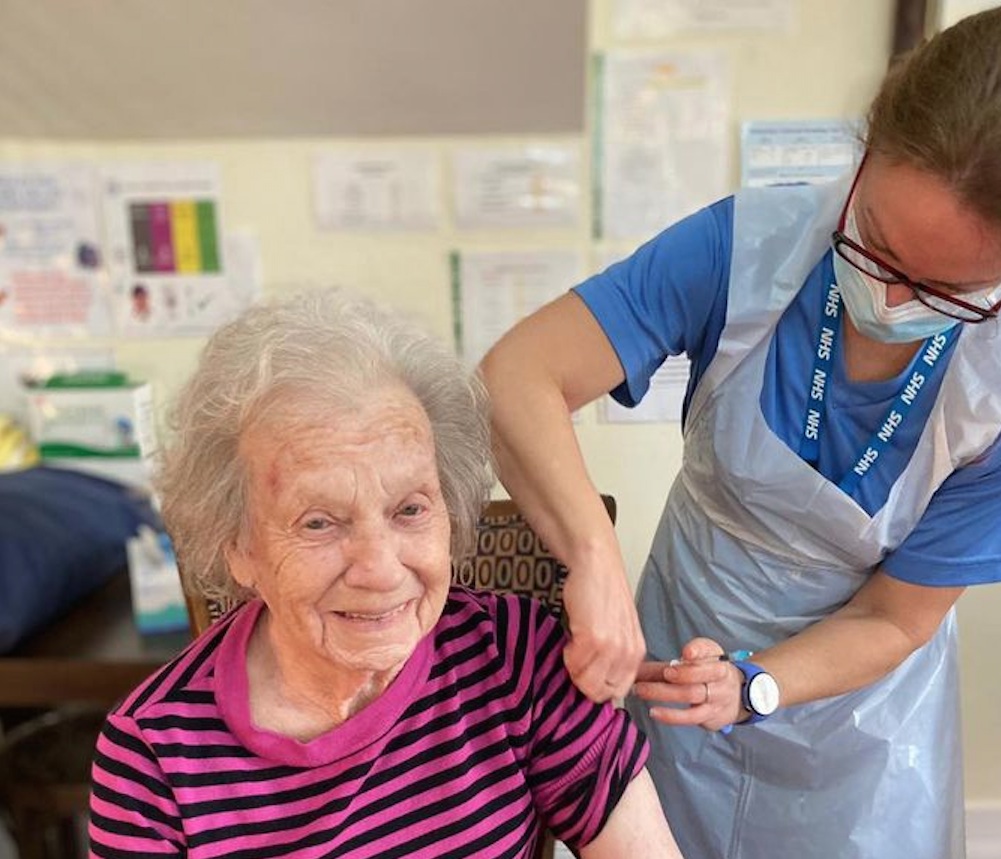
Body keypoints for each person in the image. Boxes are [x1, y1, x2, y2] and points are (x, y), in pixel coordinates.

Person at [479, 8, 1001, 858]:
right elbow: (518, 376)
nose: (894, 301)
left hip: (864, 724)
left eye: (945, 290)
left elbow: (898, 618)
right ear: (867, 154)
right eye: (876, 246)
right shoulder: (745, 248)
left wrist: (758, 682)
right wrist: (594, 560)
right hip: (683, 644)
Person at [88, 290, 684, 859]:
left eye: (409, 510)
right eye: (319, 522)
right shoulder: (152, 756)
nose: (378, 569)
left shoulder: (514, 659)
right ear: (238, 547)